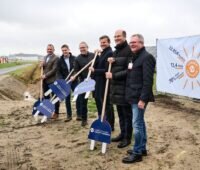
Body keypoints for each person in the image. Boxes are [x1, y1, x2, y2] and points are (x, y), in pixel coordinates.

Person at [122, 34, 156, 163]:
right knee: (140, 123)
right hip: (133, 96)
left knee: (136, 125)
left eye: (134, 42)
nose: (131, 44)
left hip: (139, 98)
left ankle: (137, 153)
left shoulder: (147, 57)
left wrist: (142, 99)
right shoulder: (134, 58)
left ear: (141, 43)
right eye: (130, 42)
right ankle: (142, 148)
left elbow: (148, 81)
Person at [106, 29, 133, 148]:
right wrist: (112, 60)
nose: (116, 38)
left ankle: (127, 138)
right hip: (116, 89)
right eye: (115, 36)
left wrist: (114, 76)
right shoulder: (116, 51)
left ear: (124, 37)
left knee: (127, 115)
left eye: (119, 36)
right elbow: (116, 65)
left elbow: (129, 70)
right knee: (121, 114)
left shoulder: (129, 50)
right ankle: (122, 134)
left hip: (125, 89)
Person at [89, 35, 115, 131]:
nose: (102, 44)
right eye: (101, 42)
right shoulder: (103, 53)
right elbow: (96, 64)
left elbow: (106, 69)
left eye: (104, 42)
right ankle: (102, 121)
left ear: (108, 42)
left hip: (105, 83)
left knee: (107, 104)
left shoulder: (109, 53)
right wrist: (96, 55)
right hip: (98, 83)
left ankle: (110, 125)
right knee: (100, 103)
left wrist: (94, 70)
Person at [70, 42, 94, 126]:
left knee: (99, 100)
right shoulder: (77, 59)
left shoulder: (93, 55)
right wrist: (74, 76)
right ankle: (84, 119)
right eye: (80, 48)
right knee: (83, 101)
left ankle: (102, 117)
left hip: (94, 80)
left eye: (83, 47)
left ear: (87, 47)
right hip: (84, 81)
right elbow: (76, 70)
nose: (82, 49)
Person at [56, 44, 81, 122]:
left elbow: (77, 69)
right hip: (65, 81)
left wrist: (74, 76)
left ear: (69, 50)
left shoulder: (75, 58)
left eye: (65, 50)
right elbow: (58, 72)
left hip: (74, 80)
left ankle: (79, 115)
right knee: (67, 99)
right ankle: (69, 115)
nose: (64, 52)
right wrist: (62, 80)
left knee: (77, 96)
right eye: (63, 51)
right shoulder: (60, 60)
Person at [41, 44, 59, 119]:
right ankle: (47, 112)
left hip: (52, 81)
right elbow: (44, 67)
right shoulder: (45, 57)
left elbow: (54, 70)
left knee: (55, 97)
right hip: (45, 81)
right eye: (48, 49)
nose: (49, 50)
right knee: (46, 97)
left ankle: (56, 113)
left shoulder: (56, 58)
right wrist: (41, 65)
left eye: (50, 49)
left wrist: (46, 75)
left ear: (53, 50)